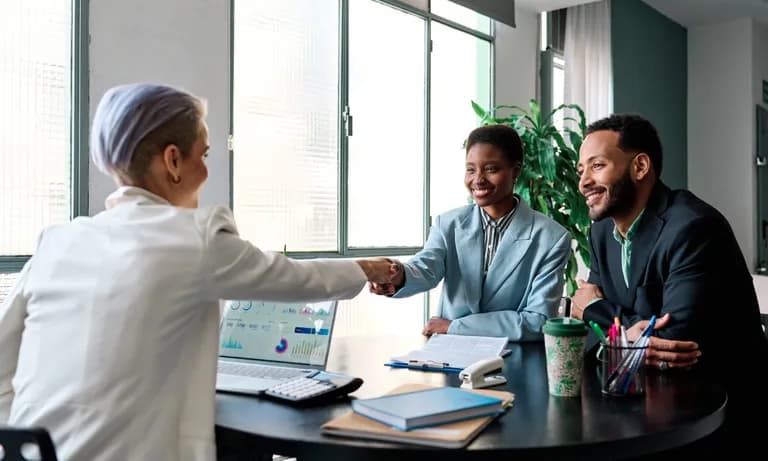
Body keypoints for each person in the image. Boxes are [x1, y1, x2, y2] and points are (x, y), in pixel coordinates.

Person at [0, 83, 396, 461]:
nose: (205, 170)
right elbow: (297, 279)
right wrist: (369, 268)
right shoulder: (194, 238)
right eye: (203, 155)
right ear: (173, 160)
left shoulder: (57, 242)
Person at [571, 113, 768, 452]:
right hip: (638, 406)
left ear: (641, 166)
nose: (583, 182)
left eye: (597, 166)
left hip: (716, 418)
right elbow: (589, 335)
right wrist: (627, 333)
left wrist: (597, 310)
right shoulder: (600, 231)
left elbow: (674, 342)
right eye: (581, 170)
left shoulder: (694, 227)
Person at [371, 124, 571, 341]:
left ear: (515, 171)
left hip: (513, 359)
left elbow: (537, 321)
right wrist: (396, 274)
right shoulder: (448, 224)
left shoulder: (551, 238)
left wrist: (455, 326)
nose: (478, 179)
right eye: (470, 169)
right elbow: (425, 268)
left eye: (491, 169)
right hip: (450, 357)